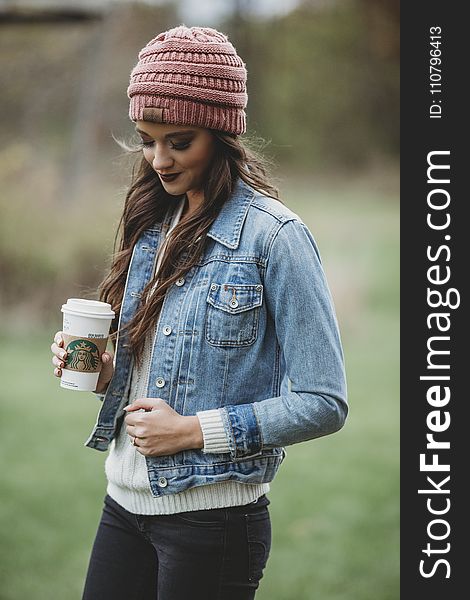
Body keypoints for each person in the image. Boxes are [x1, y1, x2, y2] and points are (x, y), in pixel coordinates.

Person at [50, 25, 348, 600]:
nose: (158, 159)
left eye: (178, 141)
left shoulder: (276, 238)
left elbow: (324, 402)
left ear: (221, 133)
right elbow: (170, 378)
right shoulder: (153, 225)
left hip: (211, 524)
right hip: (124, 506)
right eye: (146, 139)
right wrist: (108, 378)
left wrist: (191, 432)